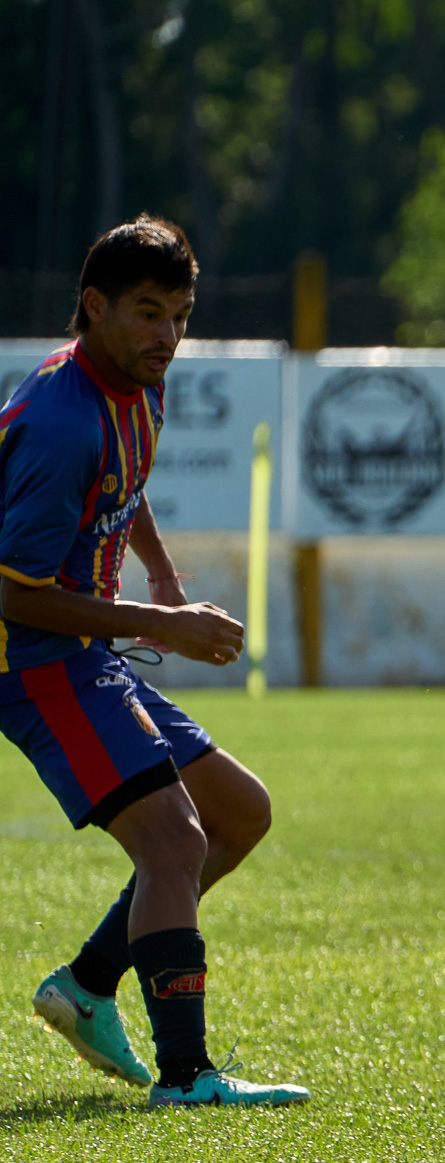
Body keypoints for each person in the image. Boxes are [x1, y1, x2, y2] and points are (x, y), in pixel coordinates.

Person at [3, 217, 306, 1108]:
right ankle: (187, 1076)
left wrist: (162, 571)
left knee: (238, 812)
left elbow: (123, 485)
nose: (167, 335)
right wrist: (161, 620)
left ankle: (88, 984)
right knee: (175, 840)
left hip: (80, 651)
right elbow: (15, 593)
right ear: (94, 306)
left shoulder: (137, 380)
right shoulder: (61, 422)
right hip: (31, 662)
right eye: (147, 312)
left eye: (179, 314)